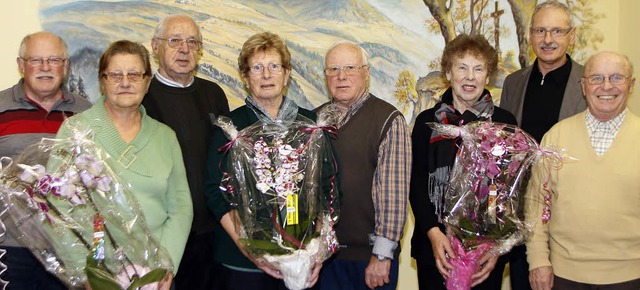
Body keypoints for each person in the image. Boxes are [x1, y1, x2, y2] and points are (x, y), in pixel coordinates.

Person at [56, 40, 193, 287]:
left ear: (147, 82)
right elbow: (57, 207)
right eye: (116, 74)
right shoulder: (76, 131)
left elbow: (181, 207)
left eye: (134, 74)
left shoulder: (165, 137)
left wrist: (165, 264)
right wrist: (83, 272)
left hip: (154, 275)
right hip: (96, 273)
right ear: (102, 81)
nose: (125, 82)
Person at [204, 32, 322, 290]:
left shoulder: (310, 124)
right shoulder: (230, 128)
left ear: (286, 74)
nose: (266, 75)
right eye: (257, 68)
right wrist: (247, 248)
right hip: (241, 265)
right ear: (245, 78)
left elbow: (327, 188)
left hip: (300, 261)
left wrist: (317, 250)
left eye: (274, 66)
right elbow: (214, 191)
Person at [409, 34, 516, 290]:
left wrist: (496, 246)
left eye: (478, 69)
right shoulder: (427, 123)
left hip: (485, 253)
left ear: (488, 76)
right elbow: (416, 183)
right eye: (462, 67)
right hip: (435, 248)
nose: (470, 77)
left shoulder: (504, 123)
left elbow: (511, 191)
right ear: (449, 72)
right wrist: (434, 233)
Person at [526, 51, 640, 290]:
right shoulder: (556, 136)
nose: (606, 86)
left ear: (631, 84)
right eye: (596, 78)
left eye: (617, 77)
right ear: (584, 85)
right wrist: (537, 260)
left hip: (631, 276)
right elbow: (536, 202)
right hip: (563, 275)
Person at [499, 2, 587, 288]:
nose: (548, 39)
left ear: (571, 36)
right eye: (540, 30)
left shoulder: (589, 84)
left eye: (557, 31)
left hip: (569, 217)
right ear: (531, 36)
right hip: (520, 217)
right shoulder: (514, 83)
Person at [142, 14, 230, 290]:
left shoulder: (213, 93)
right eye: (175, 40)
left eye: (193, 42)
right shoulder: (141, 97)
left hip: (213, 231)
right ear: (155, 46)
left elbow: (228, 160)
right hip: (164, 234)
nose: (184, 49)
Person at [0, 31, 91, 289]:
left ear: (66, 65)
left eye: (53, 60)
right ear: (20, 65)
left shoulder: (85, 112)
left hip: (69, 247)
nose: (45, 67)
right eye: (35, 60)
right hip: (10, 248)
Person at [317, 41, 411, 290]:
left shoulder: (388, 120)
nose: (341, 76)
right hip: (323, 257)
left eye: (350, 67)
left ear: (366, 73)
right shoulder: (315, 121)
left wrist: (382, 255)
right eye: (333, 69)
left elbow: (394, 196)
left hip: (369, 259)